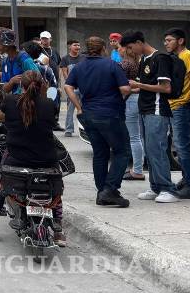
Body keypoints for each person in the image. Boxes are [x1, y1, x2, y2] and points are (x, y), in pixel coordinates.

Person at [0, 71, 65, 246]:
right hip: (47, 159)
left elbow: (0, 117)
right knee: (55, 188)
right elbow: (51, 121)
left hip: (16, 159)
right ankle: (59, 232)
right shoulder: (49, 104)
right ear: (42, 86)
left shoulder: (10, 101)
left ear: (22, 85)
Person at [64, 36, 131, 207]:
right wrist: (131, 89)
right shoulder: (111, 65)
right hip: (110, 114)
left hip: (88, 114)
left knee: (100, 153)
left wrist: (78, 107)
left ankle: (102, 192)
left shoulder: (79, 67)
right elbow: (124, 88)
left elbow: (67, 86)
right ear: (103, 49)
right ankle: (110, 189)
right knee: (122, 151)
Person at [121, 30, 180, 203]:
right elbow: (144, 85)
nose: (130, 51)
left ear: (139, 43)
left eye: (130, 47)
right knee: (149, 150)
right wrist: (131, 88)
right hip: (145, 110)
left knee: (157, 150)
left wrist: (138, 84)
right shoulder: (144, 60)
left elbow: (165, 88)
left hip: (157, 110)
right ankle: (156, 187)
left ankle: (168, 189)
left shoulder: (159, 58)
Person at [163, 28, 190, 199]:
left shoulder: (187, 55)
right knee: (179, 146)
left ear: (180, 41)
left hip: (182, 106)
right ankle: (186, 180)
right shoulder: (177, 57)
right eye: (165, 40)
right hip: (175, 106)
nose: (166, 43)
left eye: (169, 40)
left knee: (182, 147)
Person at [119, 43, 145, 181]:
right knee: (139, 136)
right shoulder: (139, 62)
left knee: (134, 137)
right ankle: (138, 167)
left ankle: (138, 170)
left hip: (129, 100)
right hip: (138, 100)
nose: (119, 49)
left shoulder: (125, 64)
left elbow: (122, 86)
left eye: (121, 47)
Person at [0, 29, 39, 95]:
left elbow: (38, 81)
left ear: (7, 45)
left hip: (28, 99)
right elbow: (4, 89)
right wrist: (11, 82)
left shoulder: (25, 60)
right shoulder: (5, 62)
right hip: (13, 99)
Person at [59, 39, 83, 137]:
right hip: (72, 88)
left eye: (78, 45)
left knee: (85, 108)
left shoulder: (83, 58)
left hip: (83, 86)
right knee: (70, 109)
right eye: (75, 45)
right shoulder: (65, 58)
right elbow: (65, 73)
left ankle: (86, 128)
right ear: (70, 47)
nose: (77, 47)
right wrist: (71, 84)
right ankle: (69, 129)